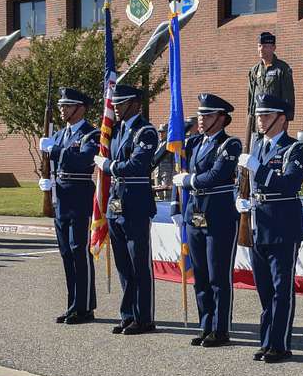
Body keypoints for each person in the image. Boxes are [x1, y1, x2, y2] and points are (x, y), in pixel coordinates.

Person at [236, 95, 303, 363]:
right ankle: (266, 341)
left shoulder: (296, 149)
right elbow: (243, 180)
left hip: (282, 227)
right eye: (258, 115)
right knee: (264, 289)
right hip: (257, 225)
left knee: (281, 289)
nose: (260, 120)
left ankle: (280, 344)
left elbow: (289, 184)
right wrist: (239, 198)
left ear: (282, 119)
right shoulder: (255, 147)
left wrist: (260, 170)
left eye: (266, 116)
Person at [171, 94, 242, 347]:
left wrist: (189, 181)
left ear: (222, 118)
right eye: (200, 115)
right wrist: (175, 207)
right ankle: (205, 325)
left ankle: (220, 329)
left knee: (218, 276)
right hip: (194, 214)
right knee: (200, 274)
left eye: (208, 115)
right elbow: (179, 170)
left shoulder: (230, 144)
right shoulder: (193, 143)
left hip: (219, 215)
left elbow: (215, 175)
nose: (201, 120)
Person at [93, 84, 159, 336]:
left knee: (139, 263)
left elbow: (137, 165)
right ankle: (128, 314)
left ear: (135, 104)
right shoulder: (117, 130)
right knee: (123, 265)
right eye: (115, 104)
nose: (116, 109)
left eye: (121, 104)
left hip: (135, 204)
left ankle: (144, 318)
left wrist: (108, 165)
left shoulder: (146, 131)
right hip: (115, 203)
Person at [38, 87, 100, 324]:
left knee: (79, 251)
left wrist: (53, 150)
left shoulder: (90, 134)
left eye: (67, 105)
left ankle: (85, 307)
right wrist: (47, 181)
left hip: (80, 199)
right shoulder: (63, 134)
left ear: (80, 108)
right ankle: (73, 304)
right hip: (62, 200)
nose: (62, 109)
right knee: (66, 253)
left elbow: (83, 159)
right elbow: (57, 165)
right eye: (61, 105)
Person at [246, 32, 294, 144]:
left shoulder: (282, 68)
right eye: (259, 46)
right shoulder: (254, 70)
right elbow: (251, 97)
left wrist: (287, 119)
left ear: (273, 48)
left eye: (266, 46)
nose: (261, 49)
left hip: (275, 119)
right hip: (259, 120)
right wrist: (250, 118)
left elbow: (288, 96)